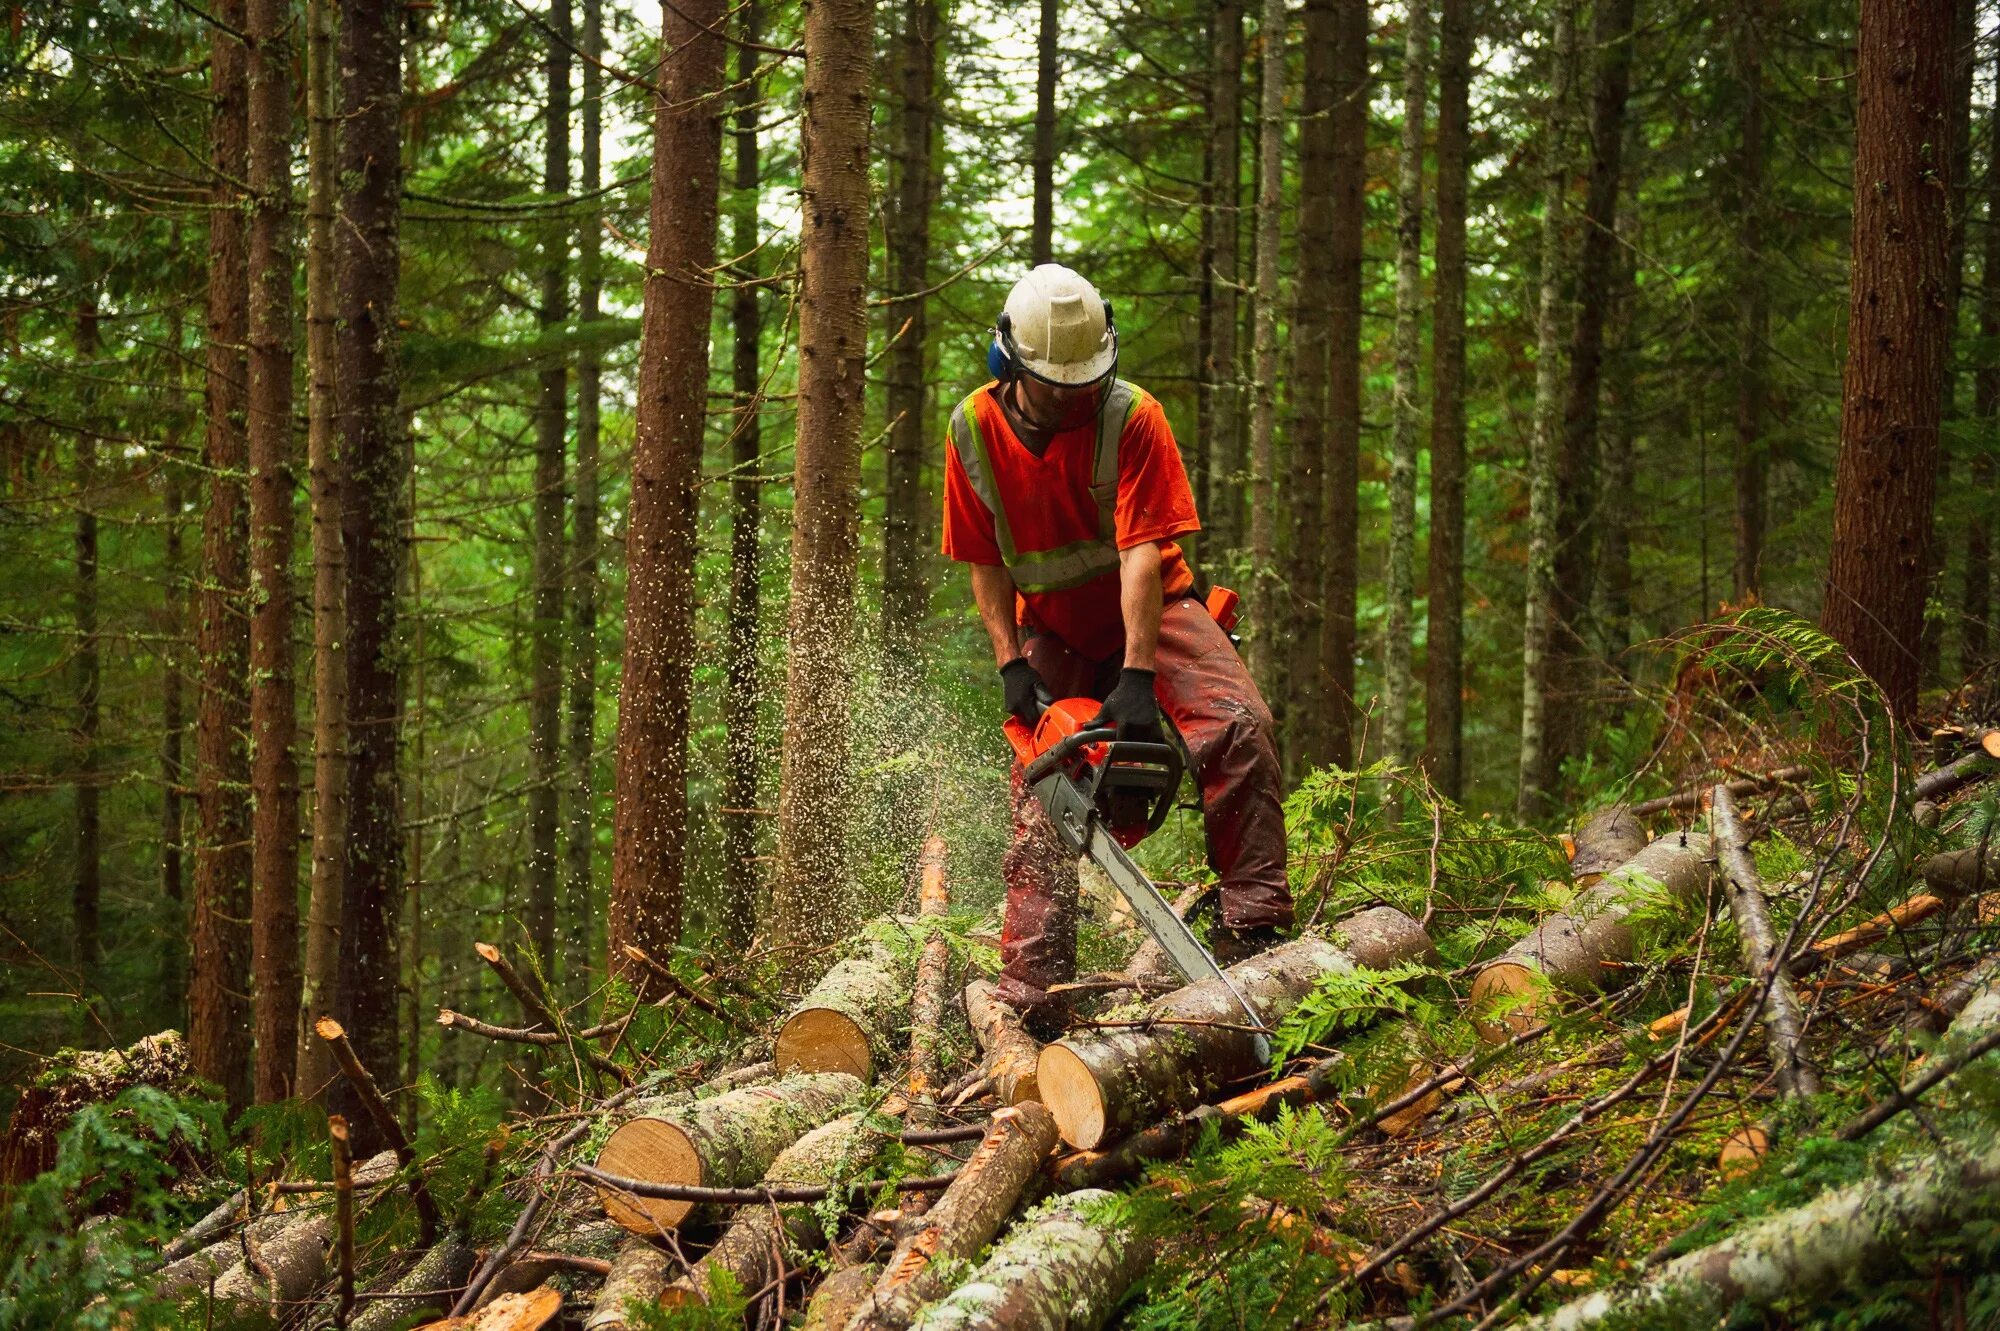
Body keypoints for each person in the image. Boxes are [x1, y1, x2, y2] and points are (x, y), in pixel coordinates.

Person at [941, 263, 1295, 1037]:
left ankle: (1257, 927)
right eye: (1057, 387)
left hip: (1154, 601)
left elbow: (1141, 553)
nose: (1074, 398)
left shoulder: (1132, 417)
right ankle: (1034, 990)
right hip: (1056, 627)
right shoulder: (972, 431)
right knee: (1041, 792)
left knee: (1238, 725)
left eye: (1083, 384)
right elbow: (984, 558)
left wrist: (1137, 678)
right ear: (1010, 365)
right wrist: (1010, 662)